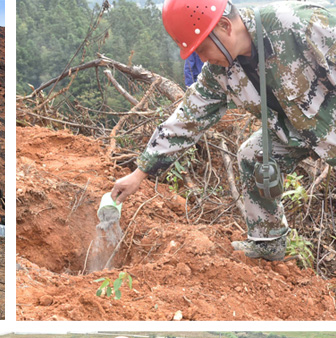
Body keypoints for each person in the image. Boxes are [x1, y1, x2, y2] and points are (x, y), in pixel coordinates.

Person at [112, 0, 336, 261]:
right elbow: (187, 118)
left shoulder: (297, 24)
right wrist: (140, 173)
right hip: (296, 131)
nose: (202, 58)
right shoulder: (220, 71)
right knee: (254, 155)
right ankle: (269, 242)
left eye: (203, 48)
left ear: (224, 26)